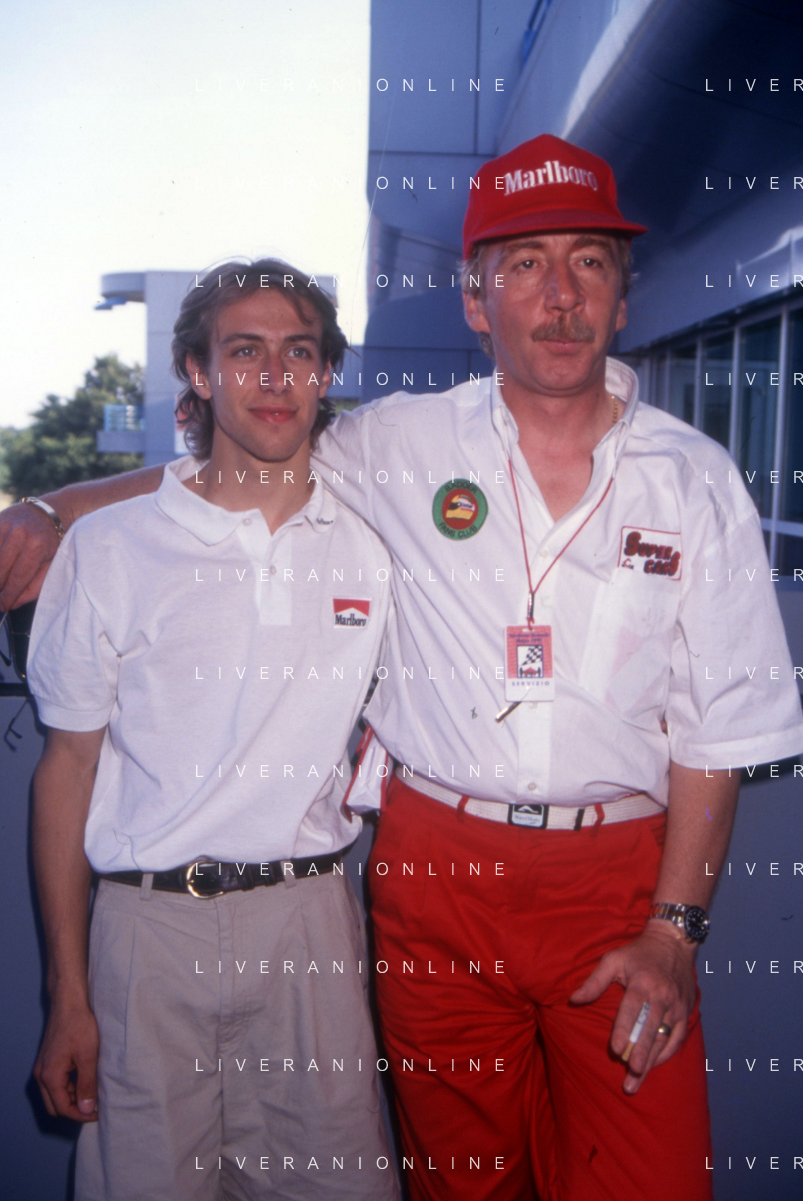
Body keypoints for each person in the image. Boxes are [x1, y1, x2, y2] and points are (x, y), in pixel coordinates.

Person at [3, 135, 803, 1200]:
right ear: (475, 301)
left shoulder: (695, 479)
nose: (560, 295)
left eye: (588, 261)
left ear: (623, 294)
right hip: (434, 874)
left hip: (617, 881)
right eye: (524, 264)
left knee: (648, 1178)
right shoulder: (399, 442)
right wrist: (54, 507)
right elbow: (236, 459)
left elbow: (721, 732)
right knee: (460, 1180)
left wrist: (676, 928)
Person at [23, 260, 399, 1201]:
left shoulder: (373, 545)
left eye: (297, 352)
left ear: (325, 373)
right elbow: (66, 772)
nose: (273, 377)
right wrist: (66, 992)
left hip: (308, 926)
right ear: (198, 371)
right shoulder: (110, 548)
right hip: (147, 934)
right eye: (244, 351)